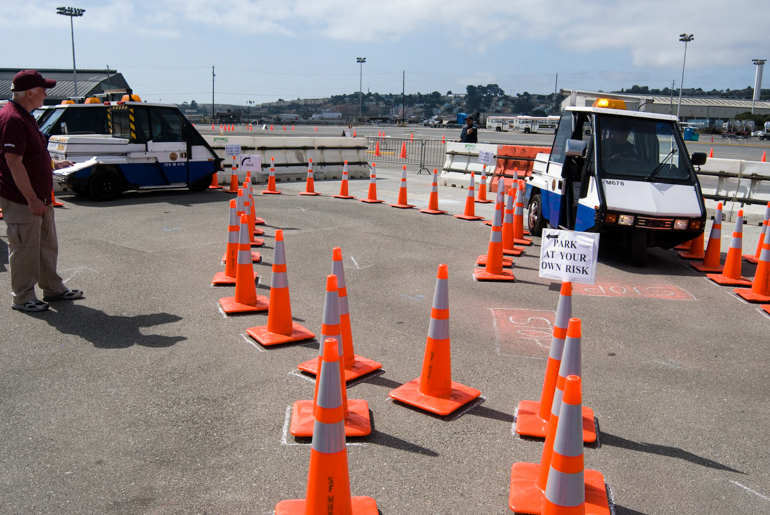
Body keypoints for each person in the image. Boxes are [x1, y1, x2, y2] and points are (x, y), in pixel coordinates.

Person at [0, 70, 83, 312]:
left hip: (40, 198)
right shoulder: (12, 119)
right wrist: (32, 199)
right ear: (29, 93)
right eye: (43, 89)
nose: (46, 93)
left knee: (46, 245)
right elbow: (14, 163)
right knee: (25, 248)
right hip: (24, 200)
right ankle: (23, 298)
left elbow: (33, 156)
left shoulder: (26, 116)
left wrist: (56, 165)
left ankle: (53, 288)